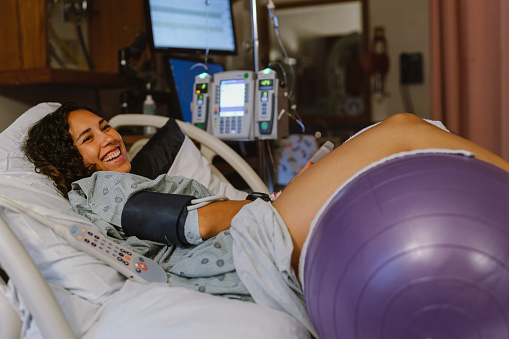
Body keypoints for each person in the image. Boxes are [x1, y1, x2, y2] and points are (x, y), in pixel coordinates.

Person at [23, 102, 509, 335]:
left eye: (104, 126)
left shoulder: (117, 182)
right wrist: (277, 202)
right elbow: (200, 223)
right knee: (402, 130)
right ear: (68, 161)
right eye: (87, 138)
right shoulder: (100, 189)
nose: (108, 137)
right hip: (254, 243)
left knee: (381, 146)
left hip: (258, 232)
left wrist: (280, 194)